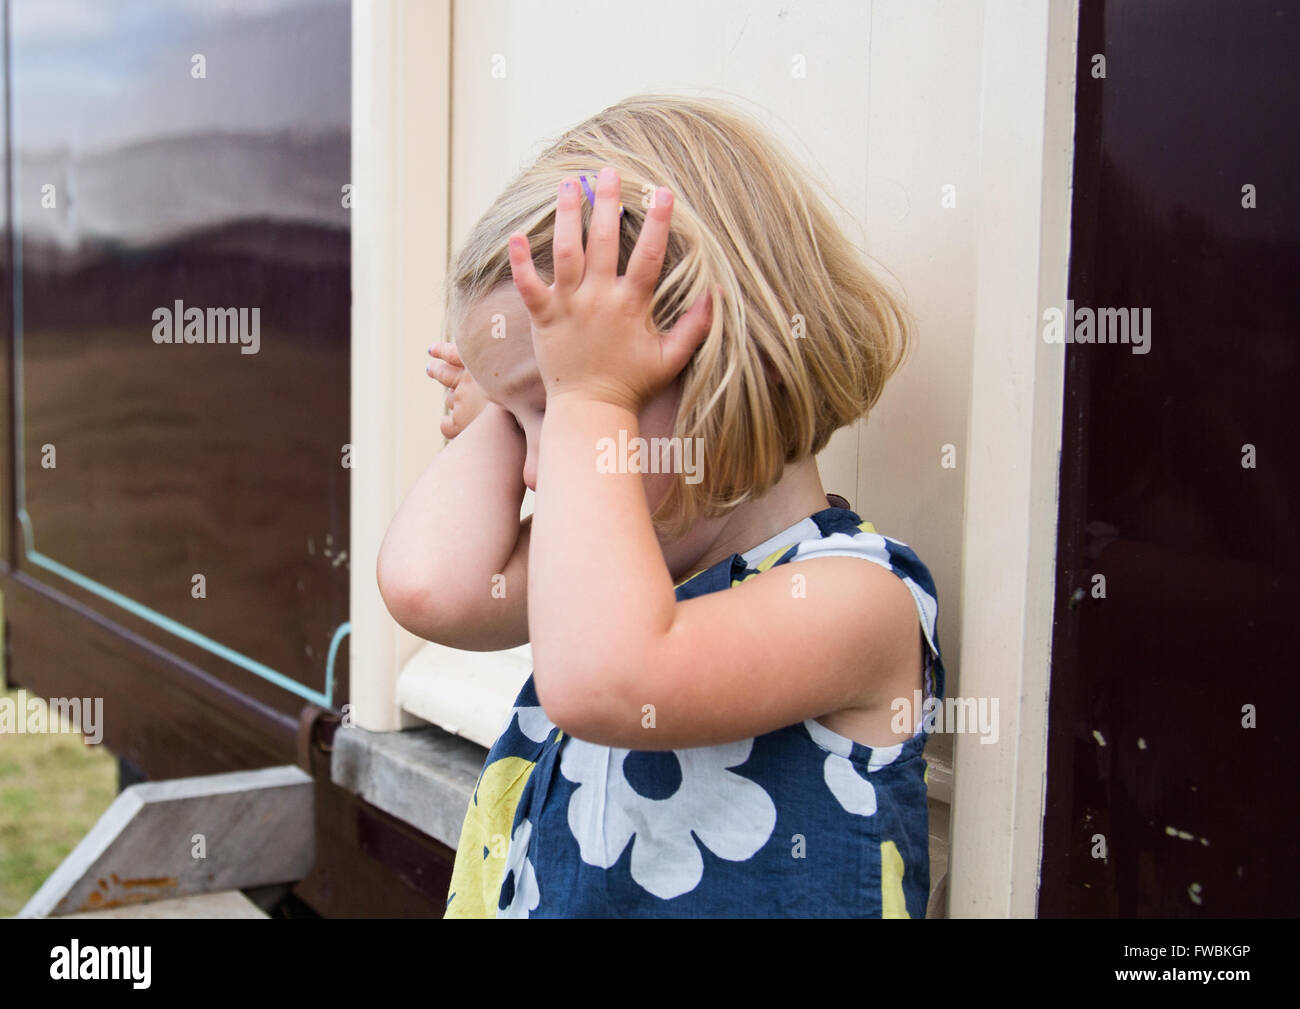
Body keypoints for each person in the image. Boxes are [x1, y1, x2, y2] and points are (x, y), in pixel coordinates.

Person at [378, 94, 944, 917]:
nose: (540, 467)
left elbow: (611, 676)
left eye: (560, 406)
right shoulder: (630, 563)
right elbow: (433, 586)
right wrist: (515, 398)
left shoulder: (857, 599)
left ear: (725, 355)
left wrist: (587, 391)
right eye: (524, 419)